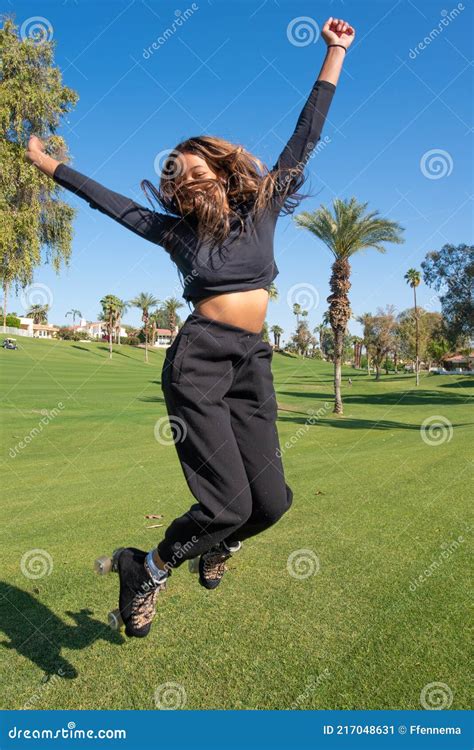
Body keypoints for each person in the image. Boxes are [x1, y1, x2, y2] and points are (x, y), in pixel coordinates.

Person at [26, 17, 354, 638]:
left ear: (222, 171)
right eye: (177, 175)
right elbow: (111, 202)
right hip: (199, 362)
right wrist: (49, 166)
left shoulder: (263, 208)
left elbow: (304, 136)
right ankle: (143, 569)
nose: (187, 177)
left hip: (252, 359)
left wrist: (335, 52)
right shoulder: (177, 234)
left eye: (196, 167)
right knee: (227, 504)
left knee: (272, 504)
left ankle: (216, 545)